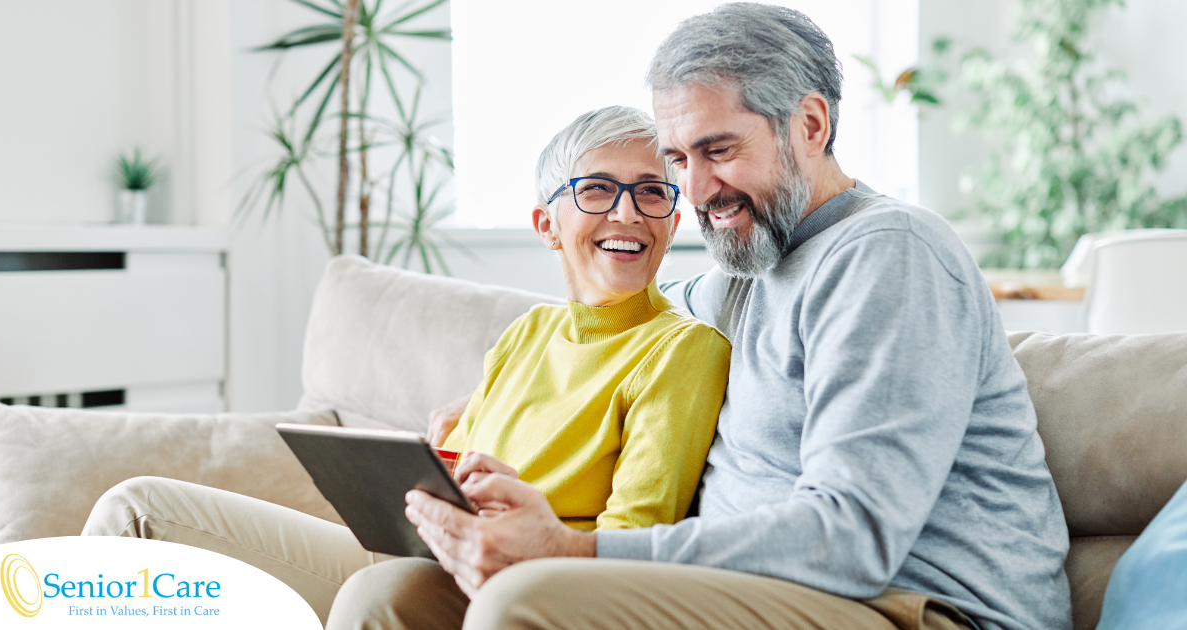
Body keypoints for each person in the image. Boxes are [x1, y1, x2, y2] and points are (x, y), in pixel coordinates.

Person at [404, 5, 1072, 630]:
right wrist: (491, 398)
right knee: (396, 597)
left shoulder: (888, 255)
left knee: (523, 601)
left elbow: (853, 538)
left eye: (718, 151)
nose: (693, 191)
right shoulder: (746, 271)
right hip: (773, 593)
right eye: (678, 160)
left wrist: (576, 550)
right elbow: (616, 329)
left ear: (810, 126)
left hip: (916, 606)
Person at [81, 105, 731, 627]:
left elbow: (635, 541)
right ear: (547, 224)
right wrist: (442, 456)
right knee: (136, 508)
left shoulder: (683, 349)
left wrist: (533, 525)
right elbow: (473, 461)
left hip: (517, 579)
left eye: (652, 193)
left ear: (674, 220)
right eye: (597, 191)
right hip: (422, 545)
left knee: (380, 592)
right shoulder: (530, 331)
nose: (627, 213)